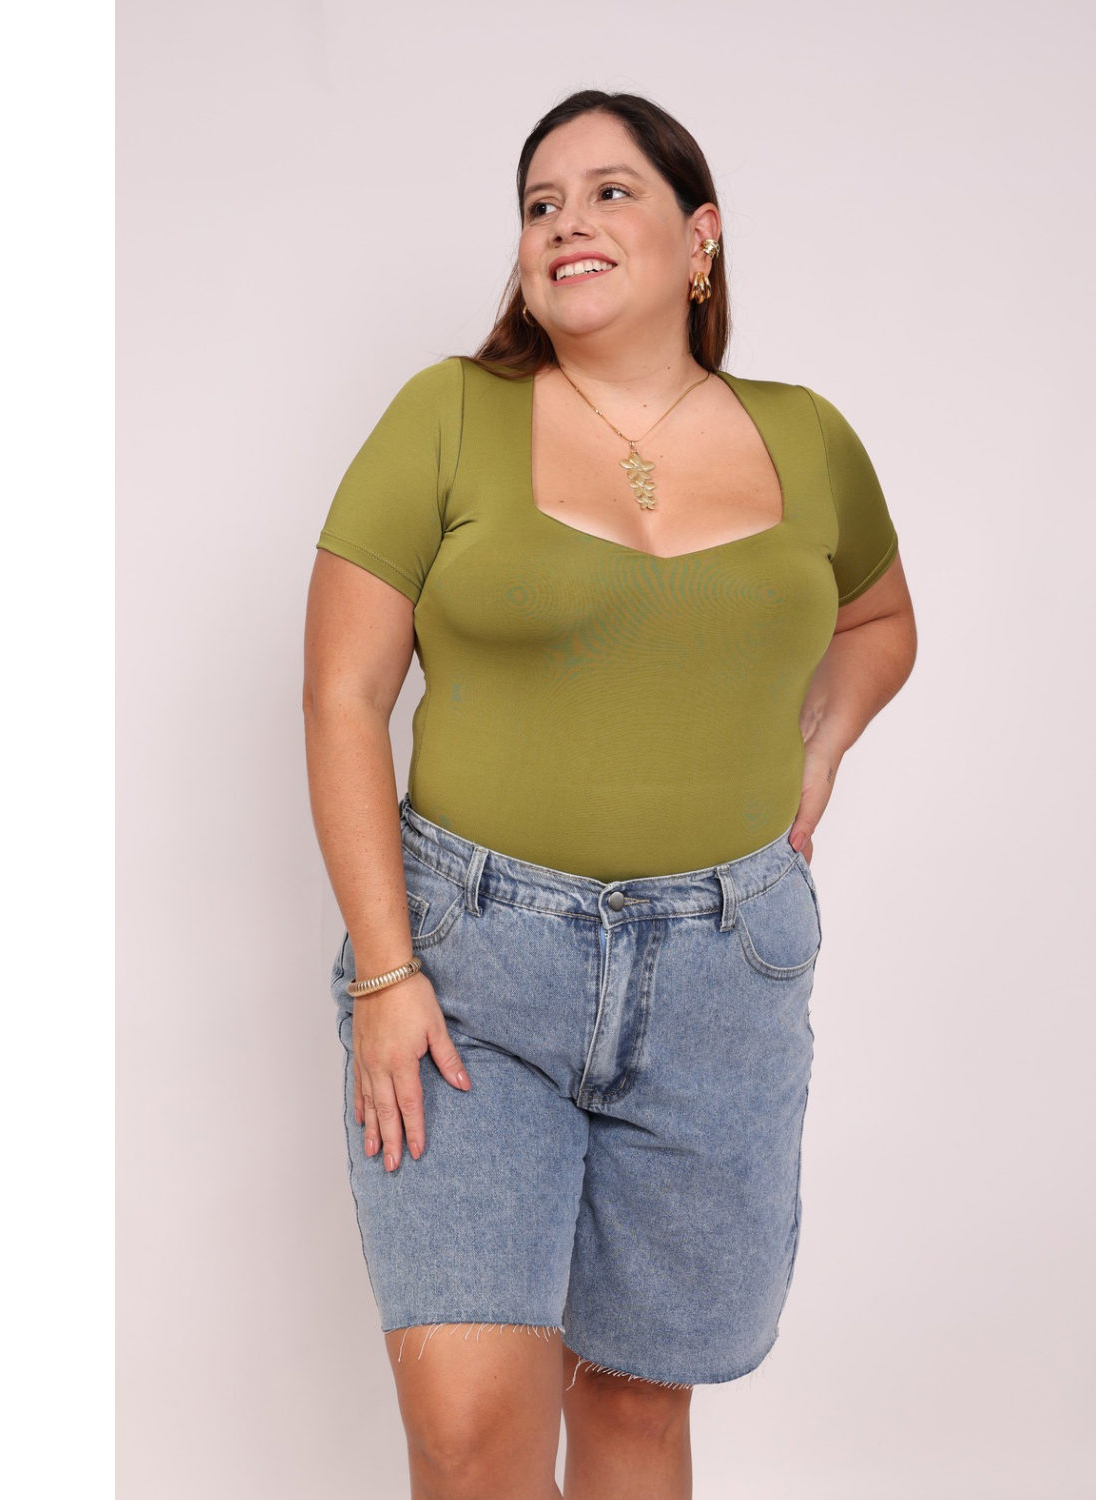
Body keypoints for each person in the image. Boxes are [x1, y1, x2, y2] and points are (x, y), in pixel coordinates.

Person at [302, 89, 918, 1500]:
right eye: (540, 203)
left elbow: (881, 621)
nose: (566, 220)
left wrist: (817, 749)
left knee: (637, 1410)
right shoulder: (449, 415)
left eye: (609, 191)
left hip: (723, 974)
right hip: (469, 973)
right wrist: (387, 971)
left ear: (701, 237)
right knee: (470, 1431)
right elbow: (341, 696)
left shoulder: (807, 437)